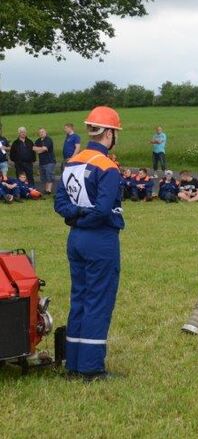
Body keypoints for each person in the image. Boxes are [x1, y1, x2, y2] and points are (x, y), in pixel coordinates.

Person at [54, 106, 124, 381]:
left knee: (80, 299)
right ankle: (91, 368)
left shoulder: (72, 162)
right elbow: (104, 209)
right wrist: (86, 216)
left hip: (76, 239)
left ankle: (74, 364)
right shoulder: (108, 167)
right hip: (100, 240)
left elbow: (60, 204)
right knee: (98, 301)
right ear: (109, 133)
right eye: (115, 133)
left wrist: (77, 216)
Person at [33, 128, 57, 194]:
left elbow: (45, 148)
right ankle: (46, 189)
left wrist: (40, 150)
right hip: (42, 162)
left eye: (42, 132)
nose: (41, 133)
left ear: (45, 132)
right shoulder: (38, 140)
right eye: (40, 132)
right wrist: (41, 149)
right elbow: (34, 148)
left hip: (50, 161)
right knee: (43, 176)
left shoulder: (48, 139)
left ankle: (49, 190)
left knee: (49, 175)